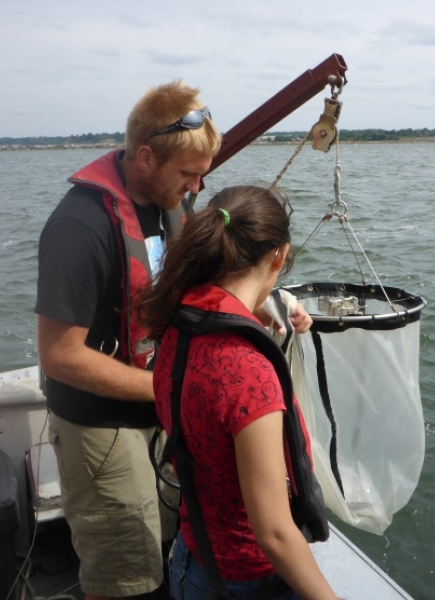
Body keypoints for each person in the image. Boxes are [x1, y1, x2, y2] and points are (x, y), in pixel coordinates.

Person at [35, 80, 222, 600]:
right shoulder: (80, 225)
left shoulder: (173, 207)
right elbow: (58, 355)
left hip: (159, 416)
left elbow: (204, 287)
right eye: (187, 175)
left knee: (165, 546)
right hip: (102, 426)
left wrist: (278, 307)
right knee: (125, 574)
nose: (195, 189)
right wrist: (166, 386)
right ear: (145, 157)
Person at [138, 186, 341, 600]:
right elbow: (273, 533)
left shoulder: (175, 328)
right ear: (279, 257)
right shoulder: (249, 375)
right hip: (248, 580)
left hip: (191, 562)